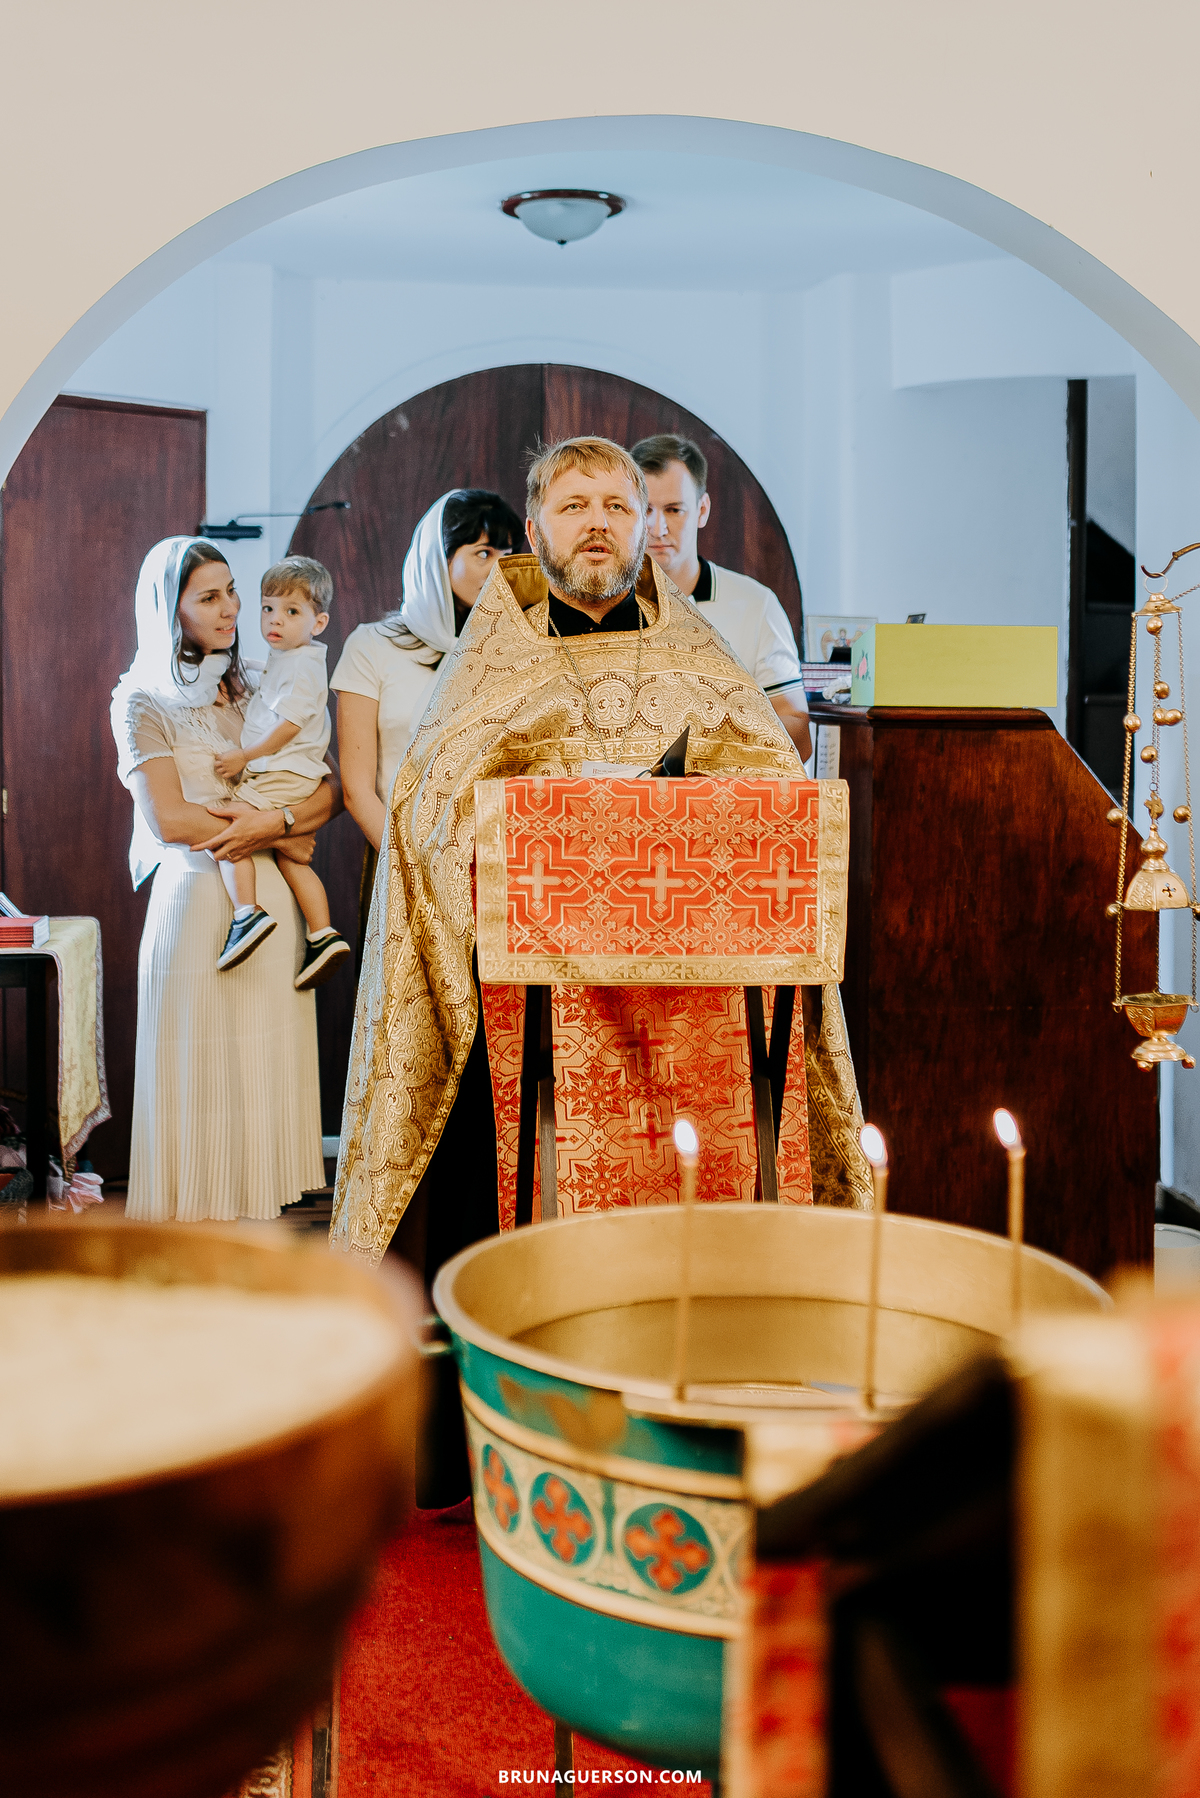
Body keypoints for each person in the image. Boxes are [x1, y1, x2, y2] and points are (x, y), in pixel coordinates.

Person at [331, 437, 869, 1267]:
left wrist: (669, 806)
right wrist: (549, 811)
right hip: (530, 996)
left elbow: (774, 784)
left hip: (692, 1001)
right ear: (536, 528)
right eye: (574, 506)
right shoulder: (490, 664)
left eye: (619, 507)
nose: (598, 525)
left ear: (645, 524)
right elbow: (428, 811)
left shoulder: (700, 657)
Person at [110, 536, 337, 1221]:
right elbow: (171, 821)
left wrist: (284, 818)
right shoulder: (141, 700)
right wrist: (270, 827)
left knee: (262, 1075)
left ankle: (260, 1247)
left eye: (233, 591)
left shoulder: (259, 682)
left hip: (270, 901)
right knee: (197, 1079)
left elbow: (324, 793)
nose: (233, 608)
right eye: (209, 597)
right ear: (168, 608)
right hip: (199, 904)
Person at [331, 489, 525, 861]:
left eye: (509, 554)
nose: (501, 569)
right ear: (439, 559)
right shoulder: (372, 645)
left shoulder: (520, 651)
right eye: (483, 553)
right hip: (397, 857)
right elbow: (357, 790)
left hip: (496, 865)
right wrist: (411, 869)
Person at [212, 556, 351, 990]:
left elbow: (288, 724)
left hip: (283, 773)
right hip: (291, 774)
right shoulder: (289, 656)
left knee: (233, 831)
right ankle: (322, 934)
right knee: (292, 856)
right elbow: (270, 675)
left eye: (292, 612)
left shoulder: (305, 667)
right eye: (268, 608)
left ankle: (245, 915)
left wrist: (244, 756)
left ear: (319, 621)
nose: (276, 621)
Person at [630, 433, 812, 760]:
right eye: (645, 510)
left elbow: (799, 732)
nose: (657, 528)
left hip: (725, 799)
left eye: (674, 510)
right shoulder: (600, 605)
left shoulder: (757, 606)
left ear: (702, 510)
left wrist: (711, 745)